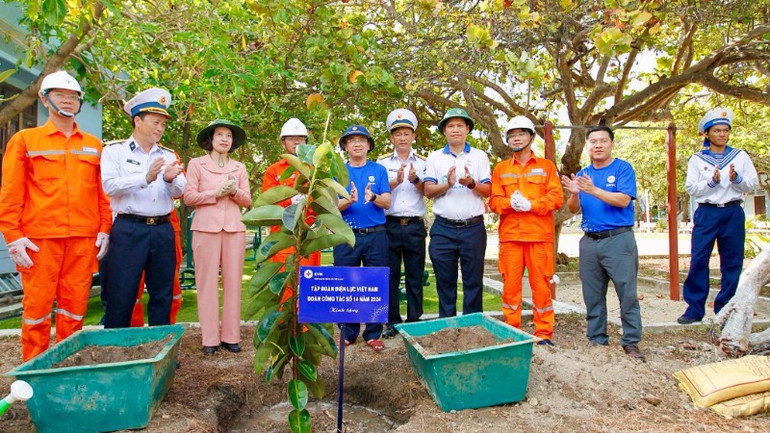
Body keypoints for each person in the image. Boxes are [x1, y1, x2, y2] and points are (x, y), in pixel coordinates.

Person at [0, 71, 112, 361]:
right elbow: (11, 192)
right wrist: (13, 236)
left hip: (83, 240)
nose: (67, 100)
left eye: (73, 96)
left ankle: (66, 363)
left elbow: (102, 193)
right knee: (36, 309)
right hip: (40, 241)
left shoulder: (94, 145)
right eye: (60, 95)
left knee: (74, 307)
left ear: (80, 102)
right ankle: (35, 369)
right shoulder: (26, 140)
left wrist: (105, 229)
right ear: (44, 99)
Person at [100, 87, 186, 329]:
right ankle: (117, 347)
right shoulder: (114, 151)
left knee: (163, 293)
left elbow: (180, 191)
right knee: (122, 291)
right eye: (155, 122)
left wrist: (168, 179)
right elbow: (109, 186)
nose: (160, 128)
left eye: (163, 124)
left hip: (162, 229)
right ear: (137, 121)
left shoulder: (168, 155)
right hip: (129, 229)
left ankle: (161, 345)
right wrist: (145, 177)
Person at [560, 126, 645, 361]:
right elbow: (573, 209)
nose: (598, 145)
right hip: (589, 241)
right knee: (592, 294)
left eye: (603, 141)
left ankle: (631, 341)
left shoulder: (622, 168)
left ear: (611, 144)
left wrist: (593, 189)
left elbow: (623, 200)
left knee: (627, 293)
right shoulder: (583, 173)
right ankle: (596, 338)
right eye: (593, 142)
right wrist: (575, 193)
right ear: (587, 146)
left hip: (618, 239)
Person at [677, 108, 758, 325]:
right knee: (699, 259)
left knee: (732, 261)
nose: (722, 134)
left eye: (725, 130)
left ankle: (725, 308)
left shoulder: (740, 156)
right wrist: (711, 182)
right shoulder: (697, 159)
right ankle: (695, 309)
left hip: (732, 211)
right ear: (707, 134)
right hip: (707, 212)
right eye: (717, 131)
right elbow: (691, 188)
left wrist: (736, 178)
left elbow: (752, 183)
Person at [489, 116, 562, 346]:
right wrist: (510, 203)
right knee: (510, 288)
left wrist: (532, 205)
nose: (516, 138)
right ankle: (512, 333)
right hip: (511, 238)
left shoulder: (546, 167)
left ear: (531, 137)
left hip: (539, 237)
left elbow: (556, 198)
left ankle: (543, 333)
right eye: (512, 135)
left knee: (541, 287)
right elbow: (494, 201)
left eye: (521, 134)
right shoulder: (501, 169)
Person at [184, 119, 252, 354]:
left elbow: (247, 200)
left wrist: (234, 191)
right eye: (220, 134)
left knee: (233, 283)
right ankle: (210, 339)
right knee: (206, 284)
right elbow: (188, 197)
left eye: (229, 136)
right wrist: (214, 193)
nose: (224, 139)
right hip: (205, 229)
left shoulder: (239, 167)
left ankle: (231, 336)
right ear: (210, 139)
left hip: (234, 228)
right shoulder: (196, 164)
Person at [423, 108, 491, 318]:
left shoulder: (479, 156)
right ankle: (447, 326)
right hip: (443, 228)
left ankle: (473, 325)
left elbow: (488, 191)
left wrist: (471, 183)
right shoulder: (435, 157)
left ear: (467, 129)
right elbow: (427, 191)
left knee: (473, 281)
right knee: (445, 283)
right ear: (444, 130)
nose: (455, 130)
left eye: (460, 125)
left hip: (473, 228)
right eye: (450, 126)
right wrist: (447, 184)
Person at [335, 125, 392, 352]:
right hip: (346, 236)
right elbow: (331, 206)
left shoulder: (379, 170)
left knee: (375, 283)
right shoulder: (338, 171)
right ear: (345, 146)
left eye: (362, 139)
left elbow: (387, 202)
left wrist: (373, 196)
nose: (357, 143)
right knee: (345, 283)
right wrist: (348, 200)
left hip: (375, 235)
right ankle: (347, 332)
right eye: (352, 140)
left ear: (369, 145)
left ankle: (373, 333)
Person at [376, 109, 427, 338]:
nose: (403, 138)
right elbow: (376, 193)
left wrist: (415, 180)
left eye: (407, 133)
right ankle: (392, 322)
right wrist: (396, 181)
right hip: (390, 225)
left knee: (415, 275)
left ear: (413, 136)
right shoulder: (381, 163)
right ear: (392, 137)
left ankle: (415, 321)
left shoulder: (425, 162)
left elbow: (429, 191)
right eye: (398, 134)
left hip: (415, 225)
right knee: (390, 276)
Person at [262, 118, 321, 275]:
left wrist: (307, 201)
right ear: (283, 143)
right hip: (283, 235)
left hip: (309, 233)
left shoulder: (314, 169)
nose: (296, 142)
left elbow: (321, 202)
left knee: (309, 281)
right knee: (284, 279)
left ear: (306, 141)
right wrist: (291, 201)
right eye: (291, 138)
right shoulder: (273, 171)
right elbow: (268, 204)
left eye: (300, 138)